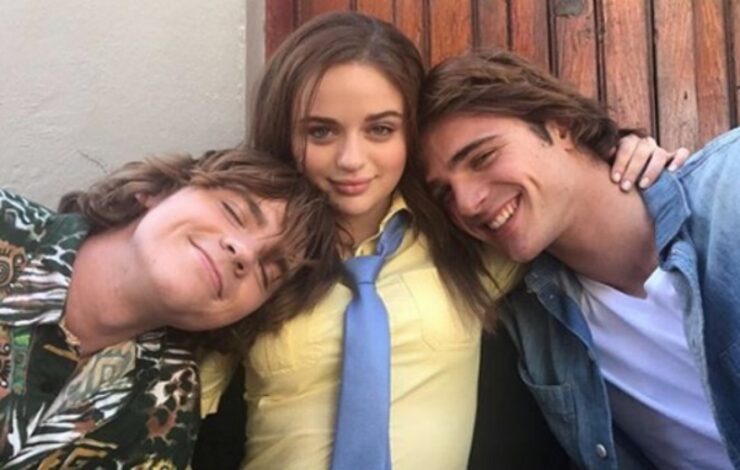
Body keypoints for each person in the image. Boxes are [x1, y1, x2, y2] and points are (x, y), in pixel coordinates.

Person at [197, 11, 683, 470]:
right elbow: (174, 399)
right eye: (321, 132)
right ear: (284, 132)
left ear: (410, 134)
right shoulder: (257, 258)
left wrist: (623, 156)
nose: (351, 159)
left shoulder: (468, 244)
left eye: (381, 129)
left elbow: (565, 203)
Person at [419, 49, 738, 469]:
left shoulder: (729, 192)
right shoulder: (532, 323)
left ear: (561, 126)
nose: (466, 203)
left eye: (482, 158)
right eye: (444, 192)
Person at [0, 147, 338, 469]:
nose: (245, 254)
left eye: (266, 272)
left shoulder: (167, 404)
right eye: (233, 212)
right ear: (157, 192)